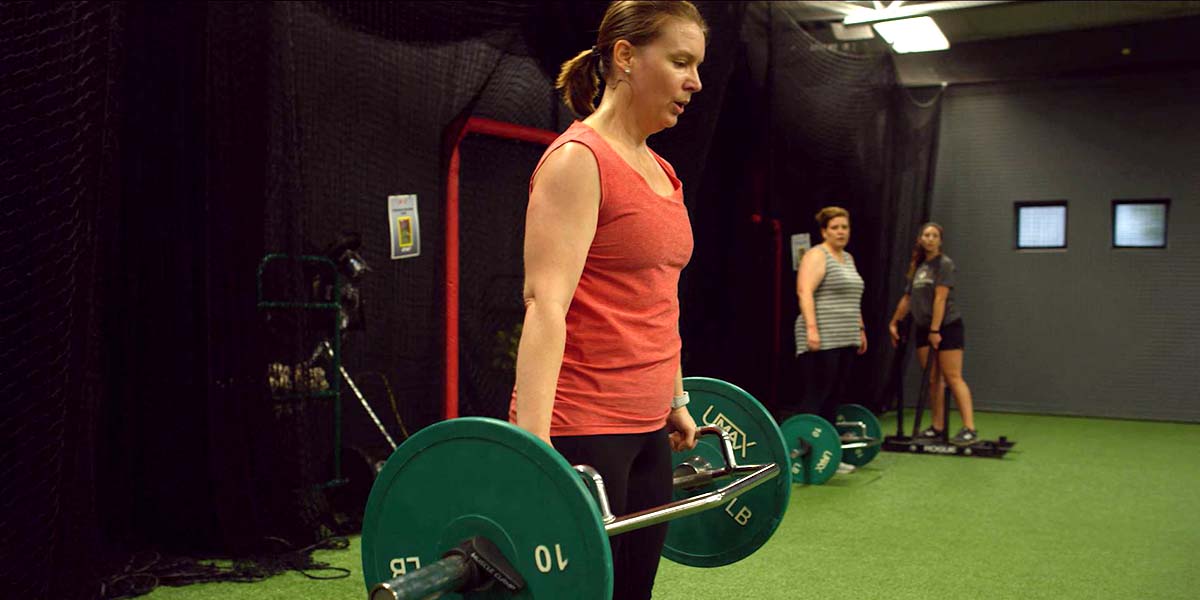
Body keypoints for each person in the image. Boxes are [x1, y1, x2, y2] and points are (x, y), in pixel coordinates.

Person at [509, 2, 706, 598]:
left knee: (633, 591)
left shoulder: (663, 172)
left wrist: (675, 396)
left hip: (650, 427)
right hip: (583, 426)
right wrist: (533, 450)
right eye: (680, 62)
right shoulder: (579, 161)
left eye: (697, 66)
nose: (695, 82)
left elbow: (658, 295)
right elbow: (545, 305)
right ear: (625, 57)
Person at [789, 206, 867, 474]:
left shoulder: (848, 258)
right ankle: (798, 453)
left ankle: (829, 457)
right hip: (821, 337)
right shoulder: (816, 254)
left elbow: (853, 297)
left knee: (835, 397)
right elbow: (804, 291)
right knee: (816, 395)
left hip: (845, 336)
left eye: (844, 227)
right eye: (835, 227)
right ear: (824, 231)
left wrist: (860, 329)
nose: (841, 232)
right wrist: (812, 329)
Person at [887, 222, 980, 446]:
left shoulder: (944, 264)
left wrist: (936, 330)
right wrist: (894, 322)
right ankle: (937, 427)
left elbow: (940, 298)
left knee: (952, 377)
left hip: (946, 326)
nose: (930, 239)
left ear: (940, 240)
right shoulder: (918, 267)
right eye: (926, 235)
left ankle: (969, 428)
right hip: (923, 328)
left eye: (934, 235)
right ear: (920, 239)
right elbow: (908, 298)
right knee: (932, 379)